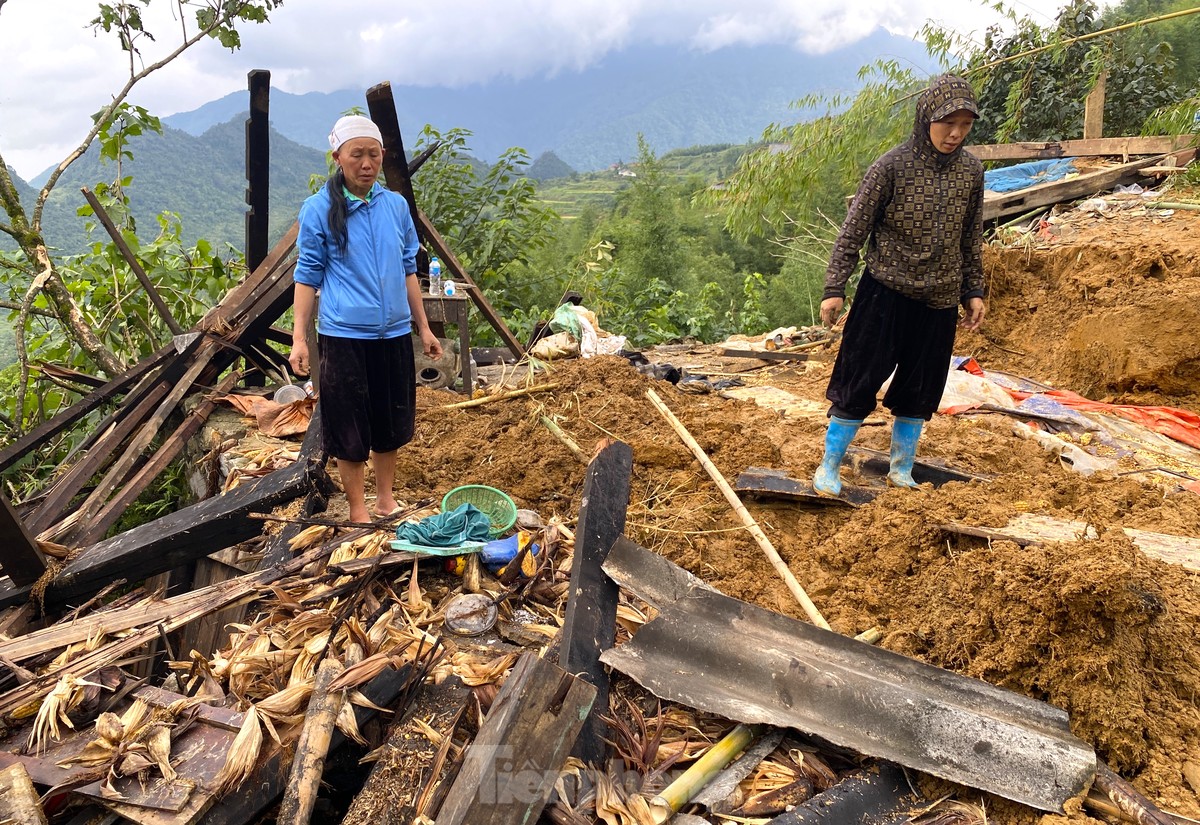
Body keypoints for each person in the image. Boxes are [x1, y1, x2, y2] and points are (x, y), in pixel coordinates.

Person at [812, 74, 987, 496]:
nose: (955, 133)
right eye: (948, 122)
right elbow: (853, 231)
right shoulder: (891, 167)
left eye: (965, 124)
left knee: (921, 388)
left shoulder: (971, 172)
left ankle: (901, 470)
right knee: (859, 377)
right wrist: (835, 286)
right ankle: (829, 466)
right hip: (885, 293)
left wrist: (973, 289)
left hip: (940, 300)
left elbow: (970, 237)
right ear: (927, 117)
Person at [289, 115, 443, 523]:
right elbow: (307, 275)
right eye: (356, 155)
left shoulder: (395, 206)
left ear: (382, 156)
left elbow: (409, 268)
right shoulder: (319, 209)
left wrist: (422, 326)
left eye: (373, 155)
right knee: (349, 425)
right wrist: (299, 338)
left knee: (390, 421)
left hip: (392, 334)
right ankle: (358, 510)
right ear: (337, 156)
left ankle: (385, 500)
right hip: (344, 336)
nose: (366, 163)